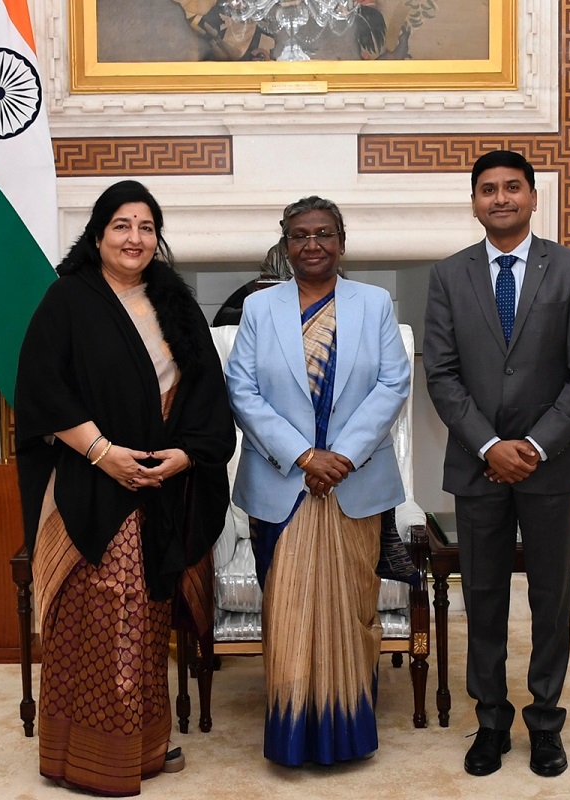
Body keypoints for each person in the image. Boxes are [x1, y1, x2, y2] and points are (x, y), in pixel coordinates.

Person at [13, 180, 235, 796]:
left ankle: (145, 745)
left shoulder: (176, 302)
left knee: (144, 618)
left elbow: (207, 394)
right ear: (98, 234)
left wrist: (185, 457)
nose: (134, 239)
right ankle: (81, 758)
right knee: (98, 614)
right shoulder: (67, 300)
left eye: (146, 227)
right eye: (121, 225)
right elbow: (41, 388)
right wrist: (104, 454)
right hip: (90, 484)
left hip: (162, 486)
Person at [422, 150, 570, 778]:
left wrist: (532, 446)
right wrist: (488, 446)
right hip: (477, 467)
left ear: (533, 197)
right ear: (474, 203)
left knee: (553, 597)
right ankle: (492, 720)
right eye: (488, 190)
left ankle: (547, 722)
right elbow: (441, 375)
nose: (500, 198)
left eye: (512, 188)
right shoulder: (449, 276)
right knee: (482, 596)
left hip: (550, 468)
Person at [225, 196, 411, 766]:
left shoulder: (373, 303)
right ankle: (291, 736)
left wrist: (342, 457)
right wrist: (305, 455)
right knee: (285, 613)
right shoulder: (260, 308)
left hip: (354, 485)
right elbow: (242, 391)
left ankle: (348, 733)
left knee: (354, 612)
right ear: (285, 244)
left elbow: (392, 384)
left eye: (324, 233)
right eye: (301, 235)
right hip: (282, 485)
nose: (313, 244)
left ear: (341, 241)